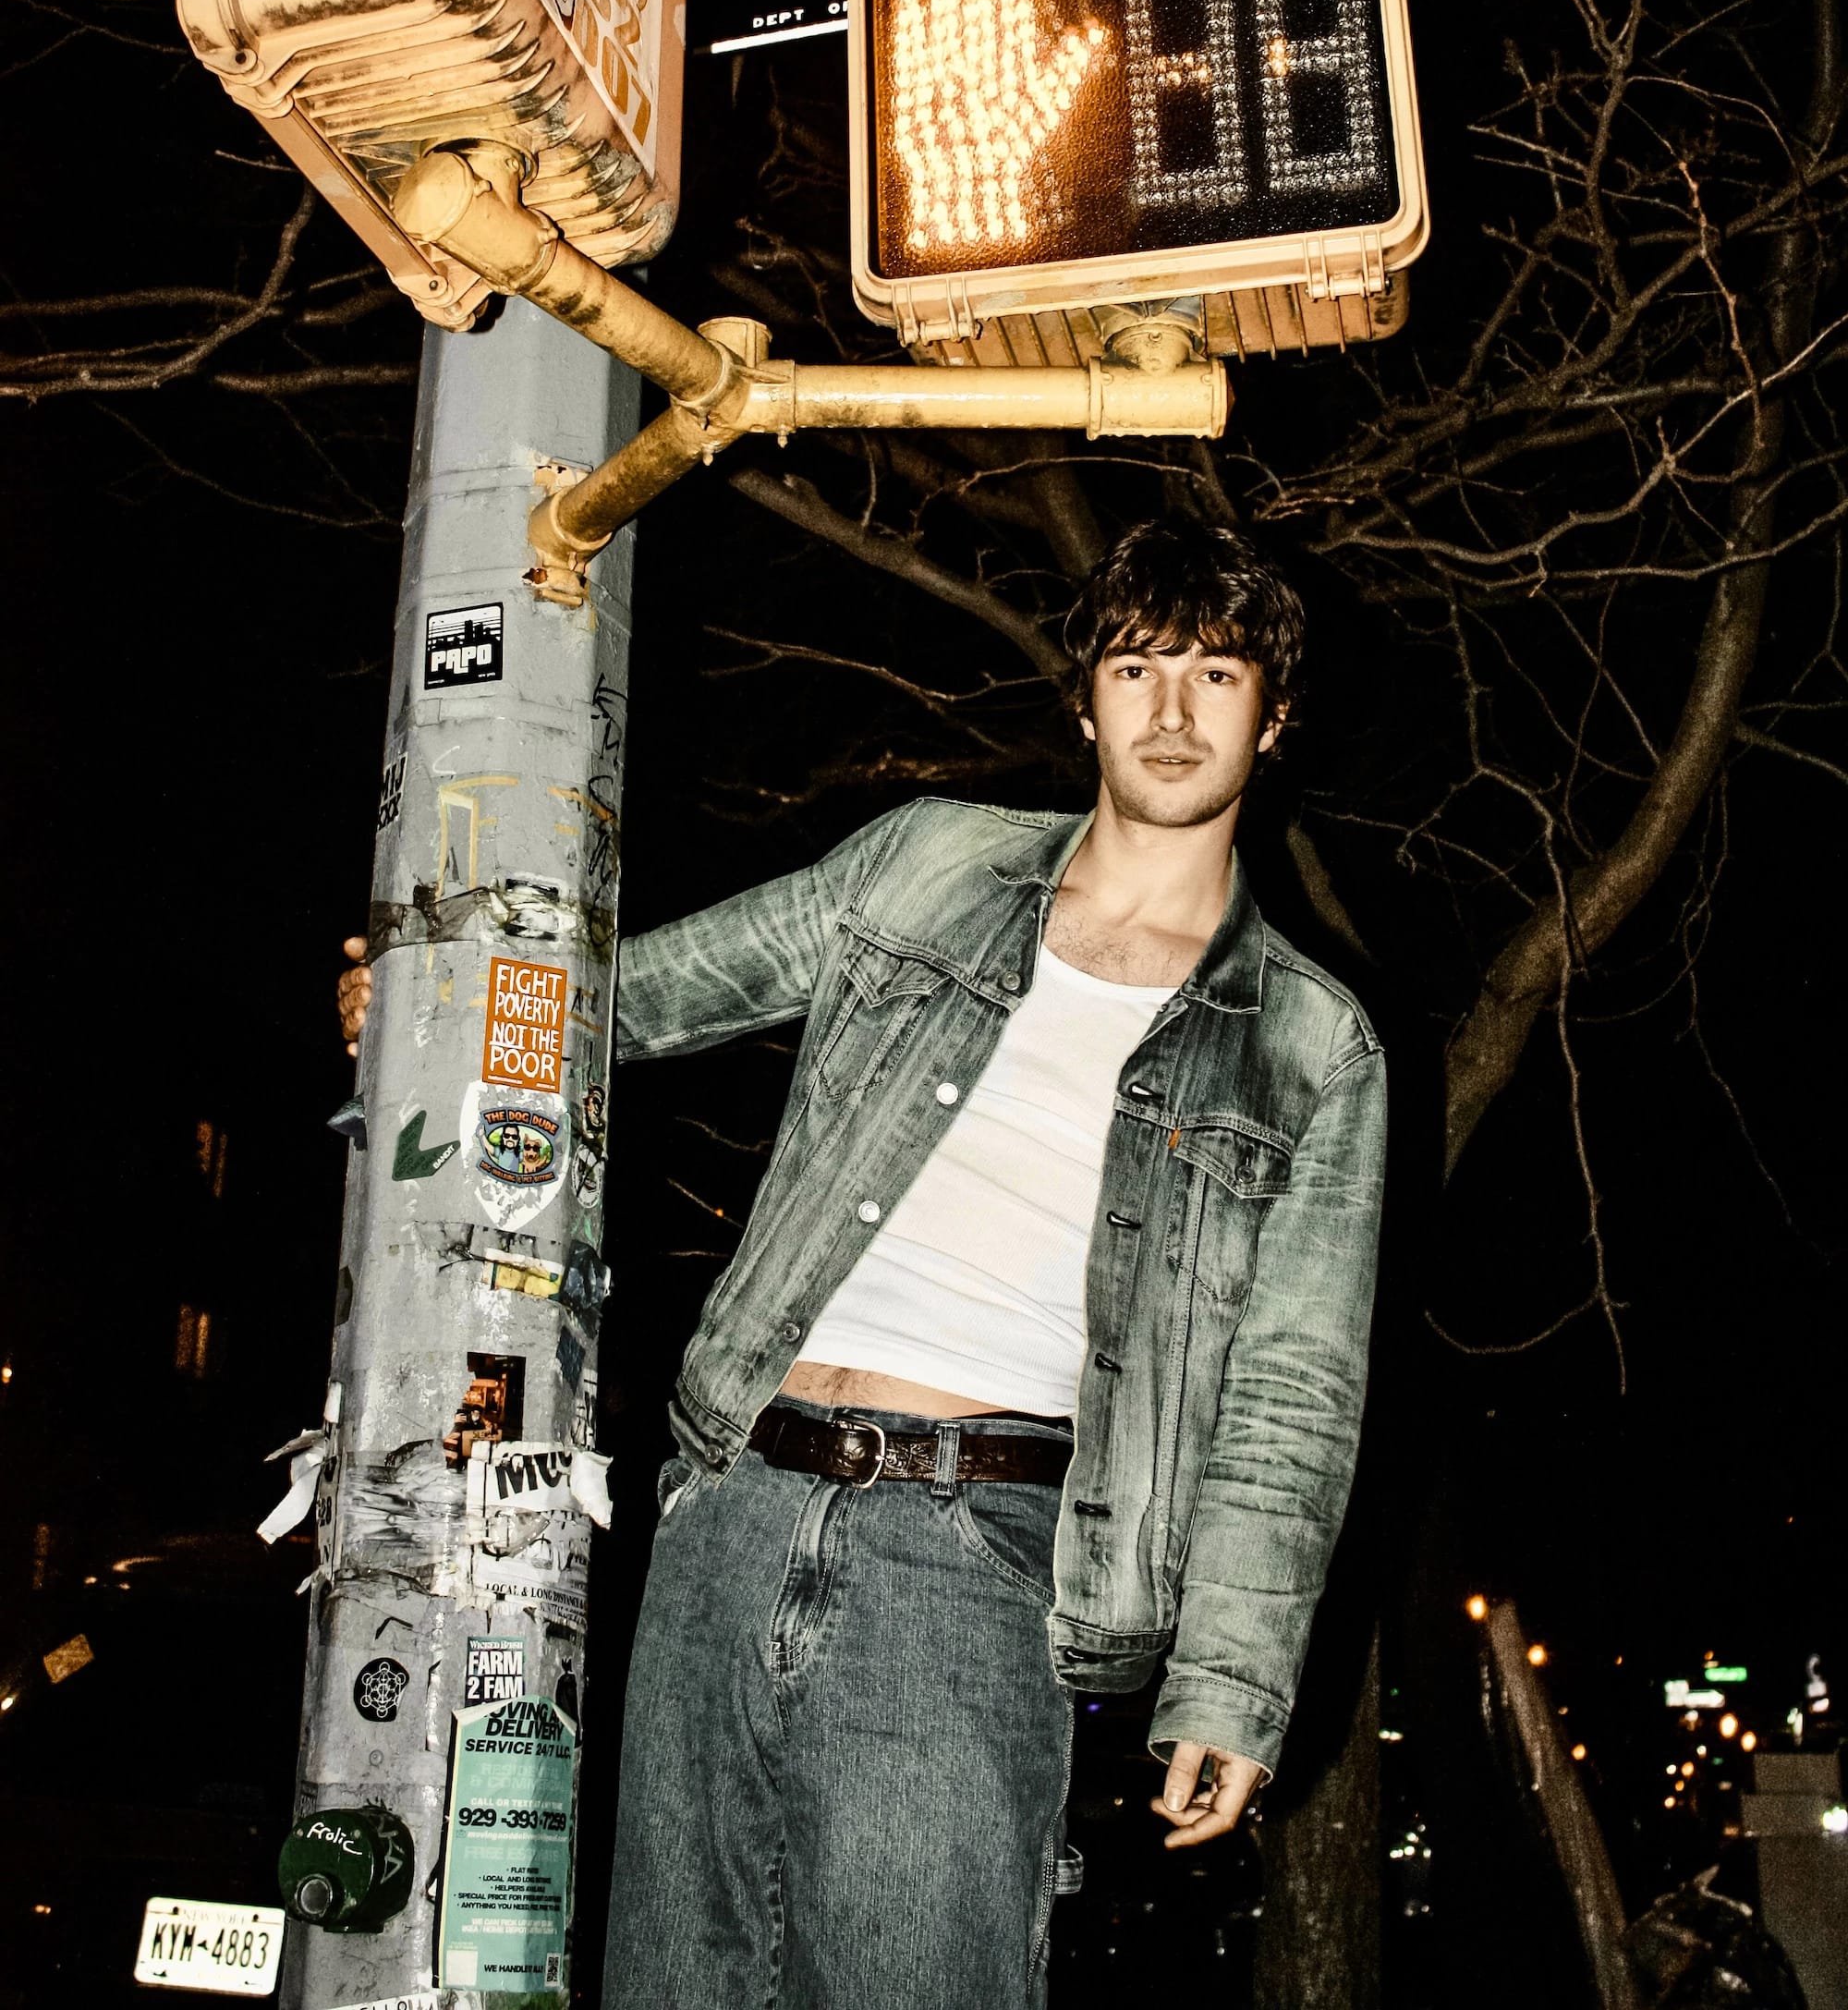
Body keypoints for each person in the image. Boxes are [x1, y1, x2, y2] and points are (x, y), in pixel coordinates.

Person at [337, 516, 1386, 2009]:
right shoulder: (926, 863)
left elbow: (1293, 1399)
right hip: (732, 1511)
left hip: (980, 1558)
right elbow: (638, 1001)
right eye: (1137, 665)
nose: (1170, 709)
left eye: (1215, 674)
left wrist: (1232, 1675)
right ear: (1084, 698)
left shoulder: (1310, 1045)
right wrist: (435, 992)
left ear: (1270, 720)